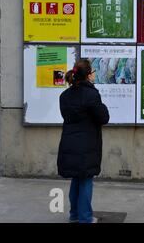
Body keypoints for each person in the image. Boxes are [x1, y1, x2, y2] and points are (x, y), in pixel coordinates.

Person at [57, 59, 110, 223]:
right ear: (88, 75)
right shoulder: (91, 94)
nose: (95, 74)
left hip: (69, 143)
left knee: (76, 179)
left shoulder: (65, 96)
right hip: (86, 145)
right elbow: (103, 117)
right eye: (93, 71)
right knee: (86, 179)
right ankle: (86, 218)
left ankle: (74, 215)